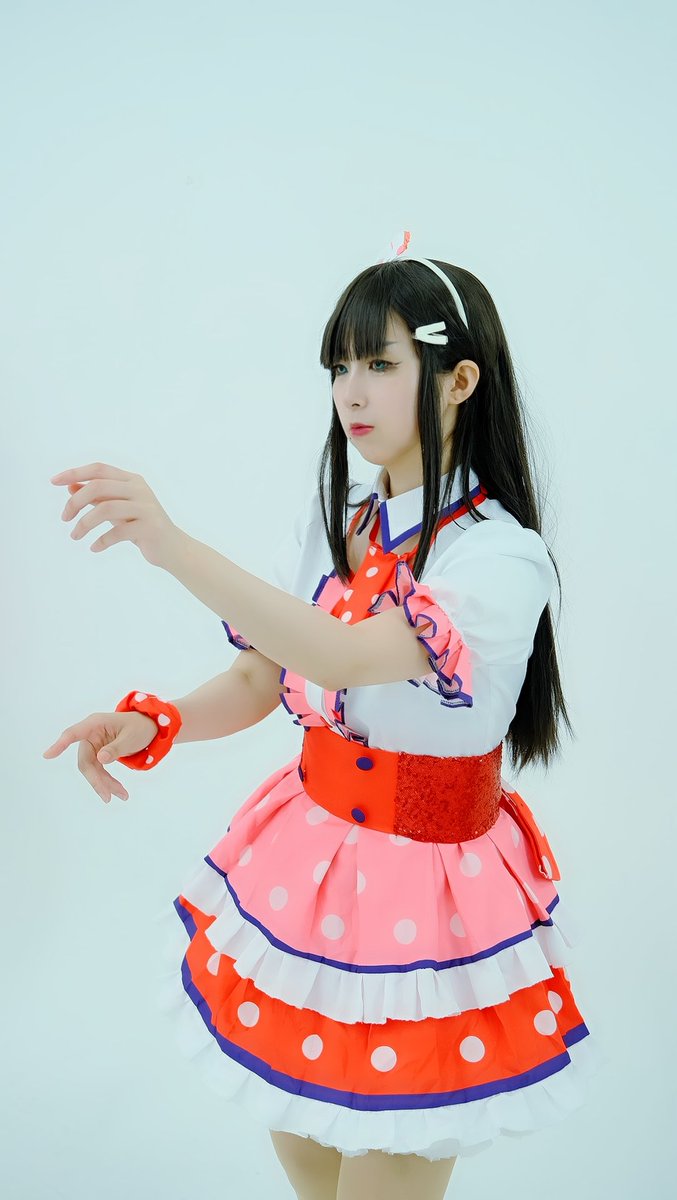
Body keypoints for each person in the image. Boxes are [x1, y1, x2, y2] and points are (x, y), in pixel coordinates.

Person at [44, 233, 604, 1200]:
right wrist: (155, 722)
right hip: (309, 868)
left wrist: (169, 545)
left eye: (379, 364)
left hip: (427, 901)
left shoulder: (497, 559)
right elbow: (264, 676)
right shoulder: (339, 517)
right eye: (339, 367)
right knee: (309, 1160)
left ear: (459, 380)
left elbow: (340, 655)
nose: (351, 391)